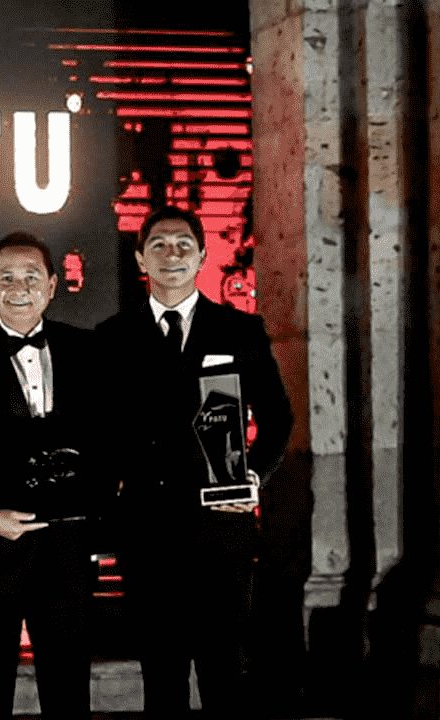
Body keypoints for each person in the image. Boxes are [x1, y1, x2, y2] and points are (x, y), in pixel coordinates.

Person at [96, 205, 292, 718]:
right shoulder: (110, 338)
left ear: (203, 256)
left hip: (220, 531)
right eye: (158, 244)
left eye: (184, 244)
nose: (172, 254)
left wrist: (253, 478)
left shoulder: (241, 331)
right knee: (161, 675)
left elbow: (279, 421)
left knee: (224, 671)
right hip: (146, 530)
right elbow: (96, 431)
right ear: (140, 257)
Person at [0, 232, 110, 719]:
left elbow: (107, 444)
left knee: (69, 694)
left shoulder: (90, 351)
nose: (19, 287)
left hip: (66, 552)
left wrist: (91, 519)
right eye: (6, 277)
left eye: (32, 276)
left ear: (52, 285)